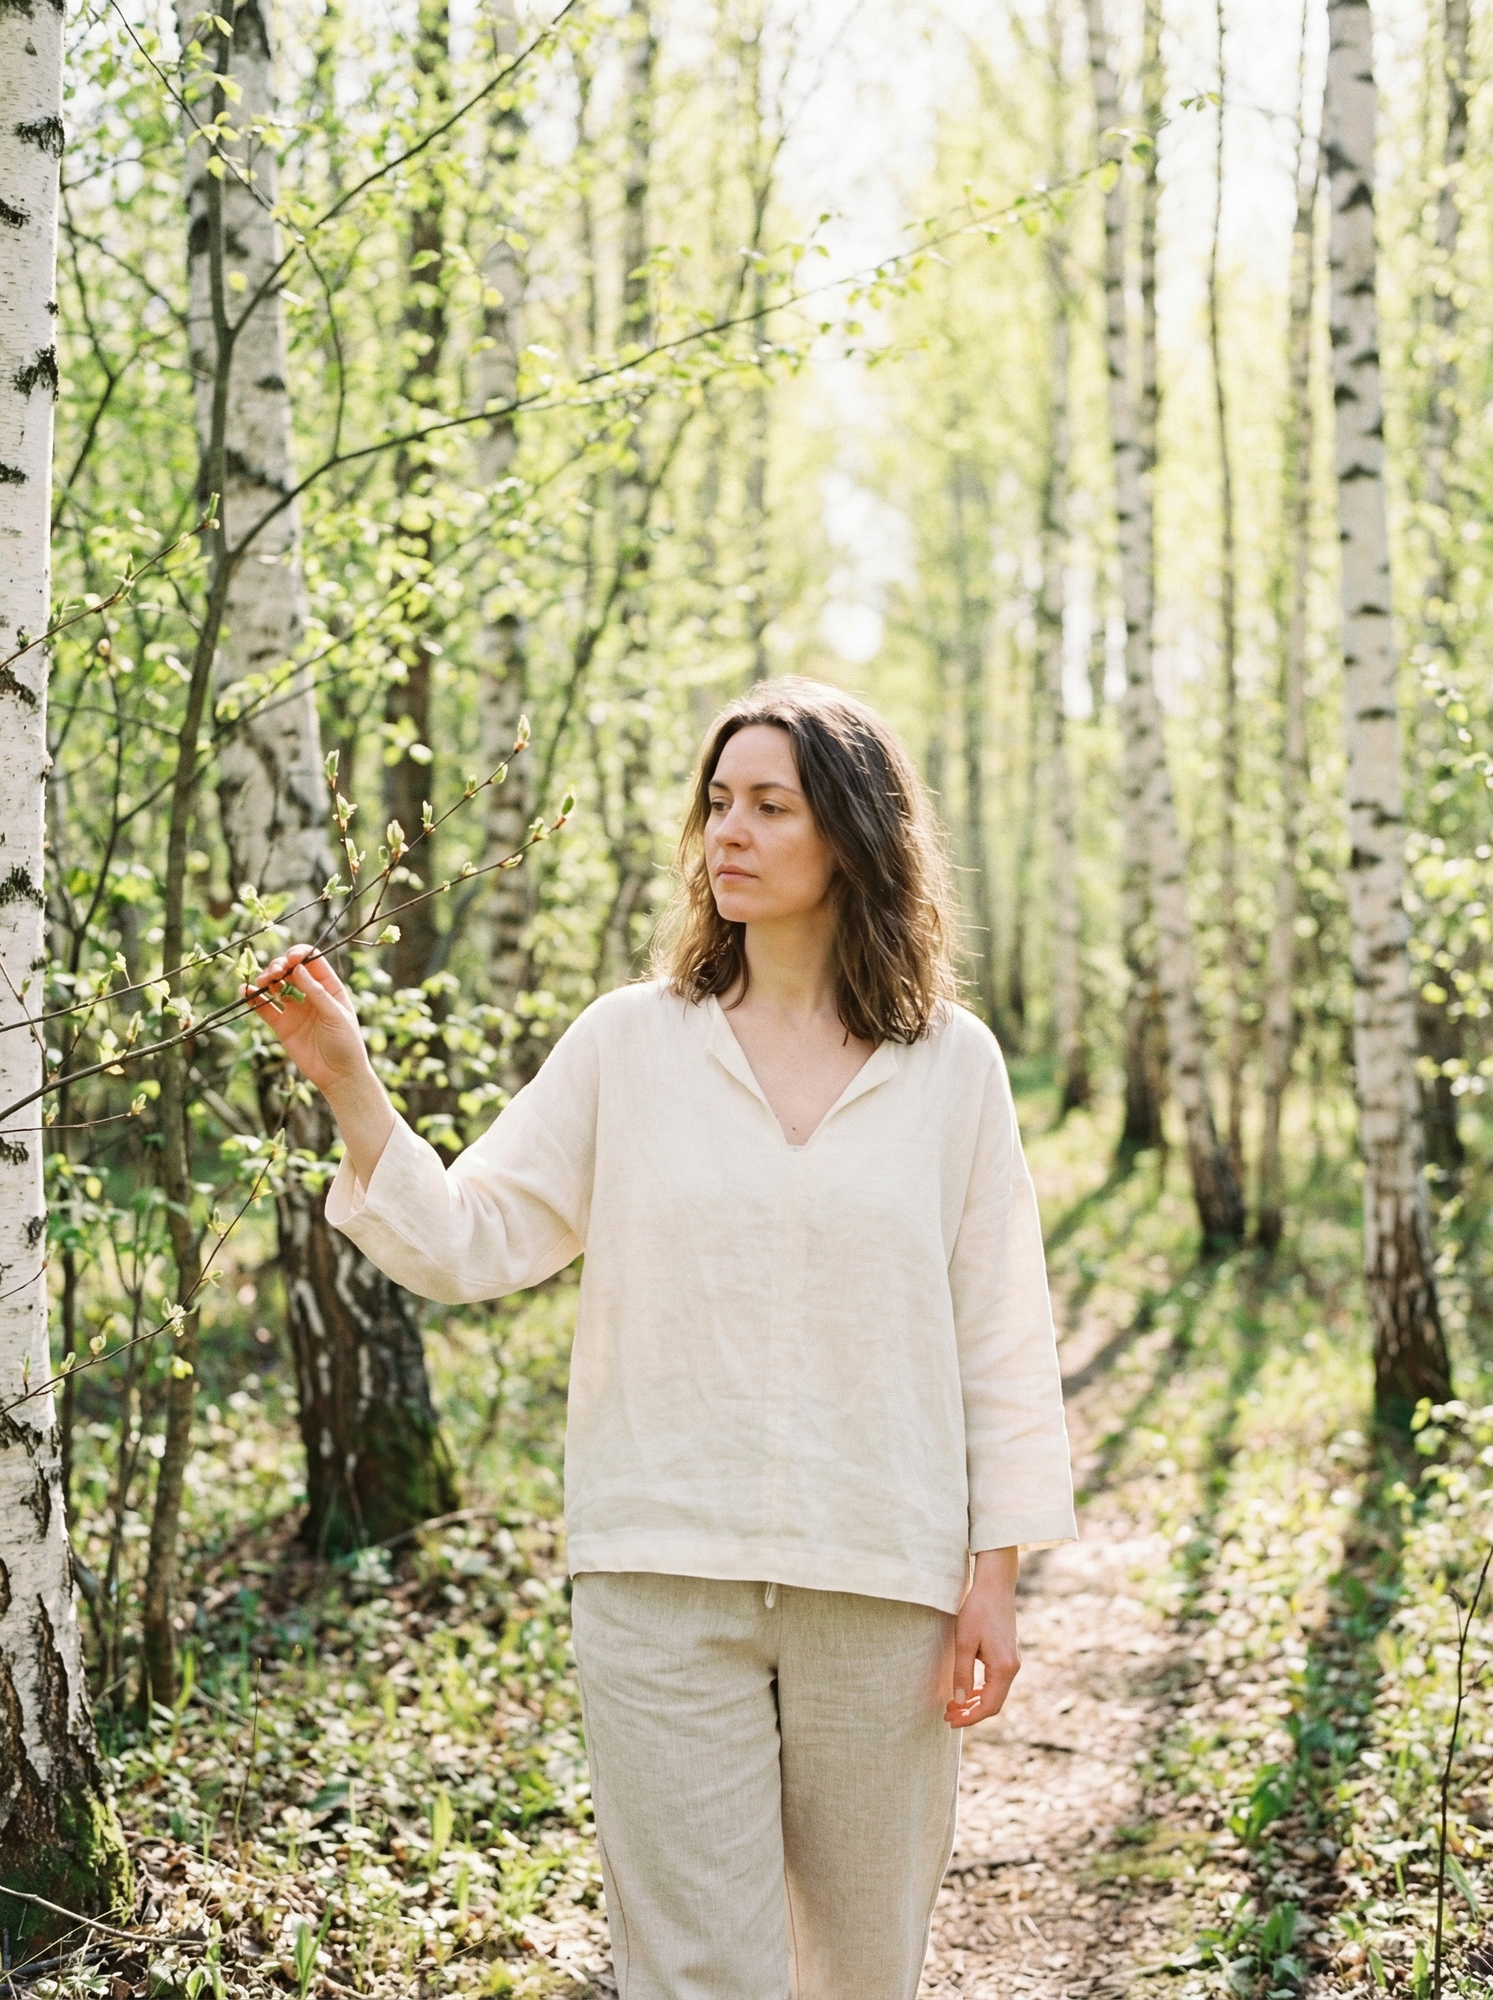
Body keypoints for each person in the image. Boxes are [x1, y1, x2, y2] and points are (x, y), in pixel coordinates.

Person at [246, 677, 1075, 2000]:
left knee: (863, 1968)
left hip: (881, 1574)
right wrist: (354, 1088)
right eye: (716, 803)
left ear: (852, 837)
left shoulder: (951, 1065)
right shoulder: (630, 1046)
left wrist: (997, 1572)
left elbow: (1002, 1333)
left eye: (769, 806)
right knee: (696, 1976)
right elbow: (473, 1239)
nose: (726, 833)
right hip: (659, 1575)